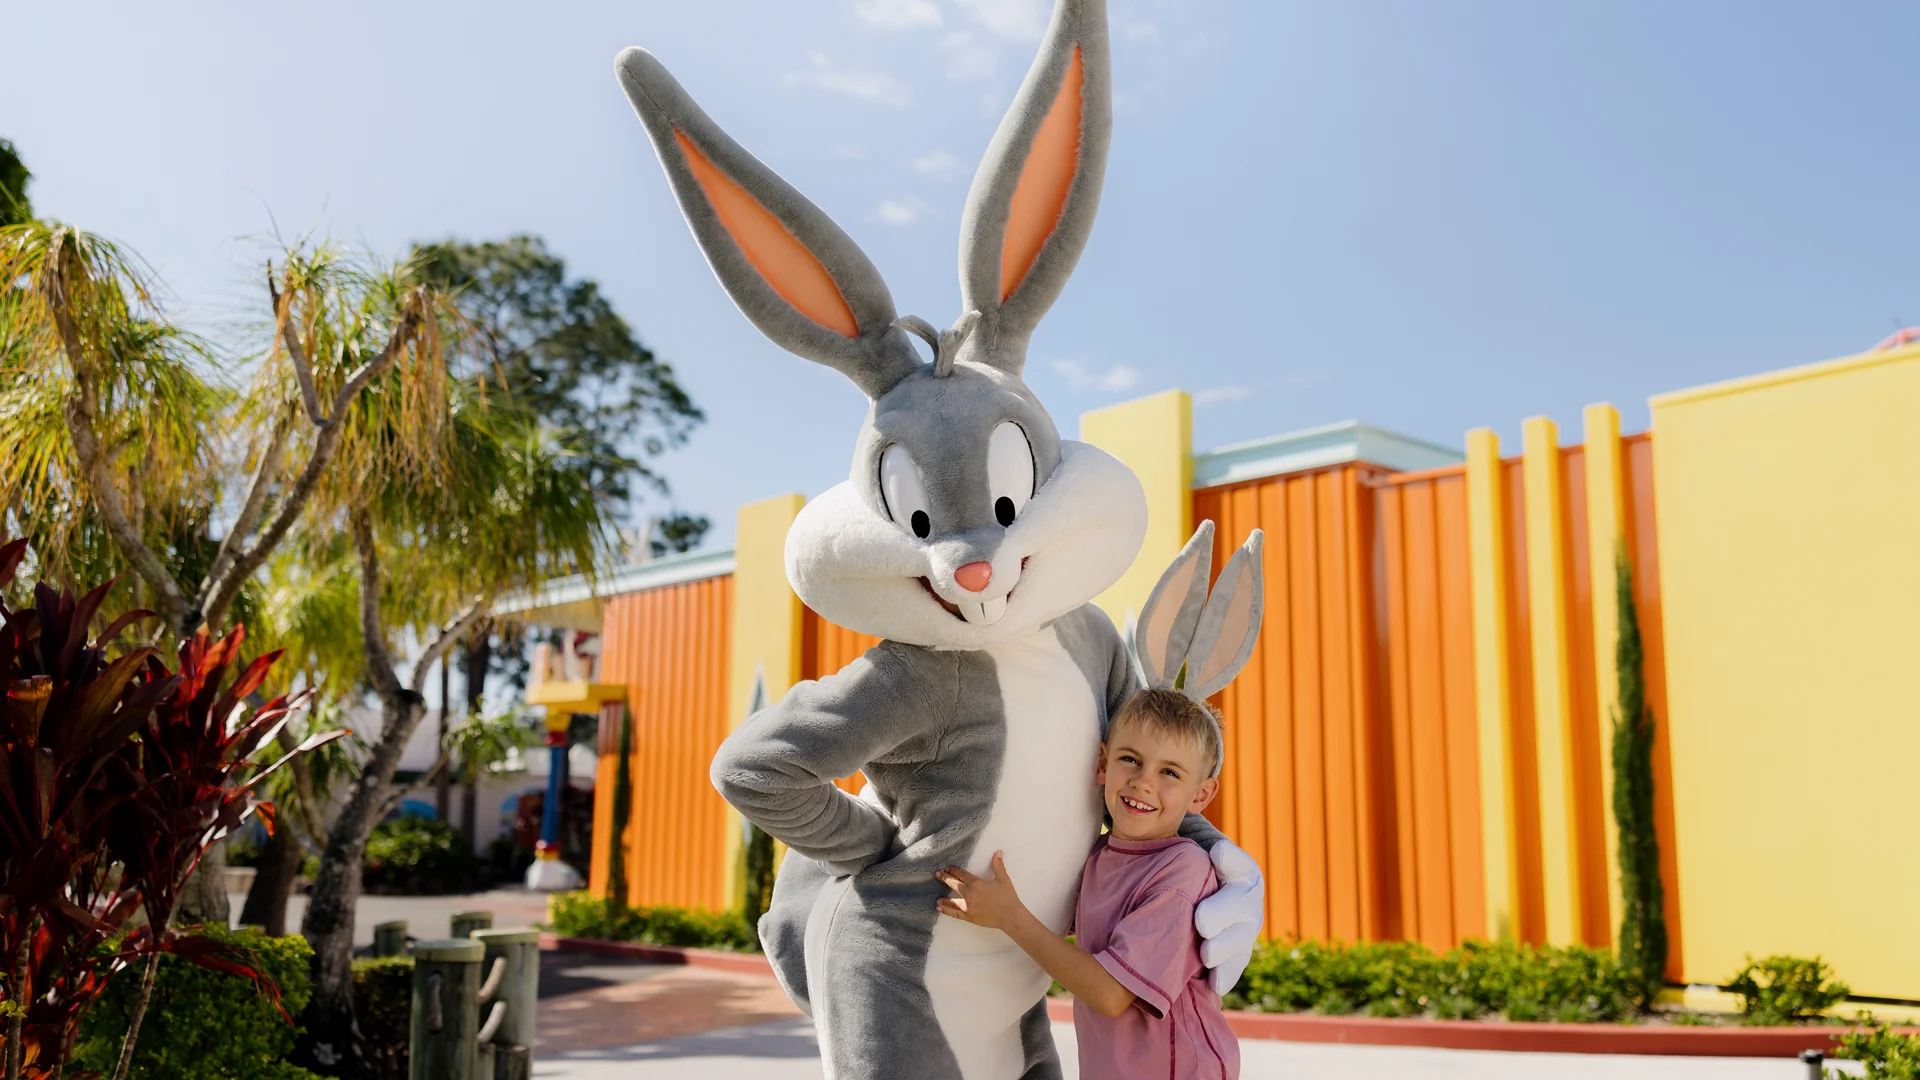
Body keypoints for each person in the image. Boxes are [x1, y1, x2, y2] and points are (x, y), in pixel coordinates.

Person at [937, 688, 1240, 1078]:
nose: (1143, 782)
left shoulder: (1183, 871)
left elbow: (1110, 994)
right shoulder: (1098, 856)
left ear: (1201, 794)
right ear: (1102, 763)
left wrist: (1010, 916)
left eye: (1169, 772)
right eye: (1130, 760)